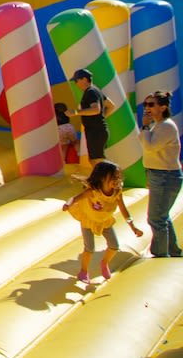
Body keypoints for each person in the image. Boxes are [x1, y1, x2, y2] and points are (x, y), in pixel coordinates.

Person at [63, 160, 142, 283]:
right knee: (89, 249)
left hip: (105, 221)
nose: (117, 180)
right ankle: (83, 271)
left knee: (114, 246)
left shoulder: (117, 192)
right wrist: (68, 204)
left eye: (118, 177)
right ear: (102, 178)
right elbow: (75, 198)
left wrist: (133, 227)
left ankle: (104, 263)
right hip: (89, 221)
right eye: (114, 177)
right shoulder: (92, 192)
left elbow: (123, 209)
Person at [140, 91, 181, 258]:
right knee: (162, 216)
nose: (147, 108)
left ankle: (160, 255)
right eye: (146, 105)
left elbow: (150, 146)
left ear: (163, 107)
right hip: (160, 174)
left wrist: (144, 127)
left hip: (164, 176)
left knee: (156, 218)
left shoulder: (166, 126)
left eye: (151, 105)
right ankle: (173, 251)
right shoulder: (159, 125)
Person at [68, 68, 109, 165]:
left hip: (95, 131)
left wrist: (76, 112)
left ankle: (107, 178)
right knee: (95, 159)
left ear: (84, 79)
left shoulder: (90, 92)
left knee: (97, 160)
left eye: (76, 81)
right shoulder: (96, 90)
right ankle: (103, 178)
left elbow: (96, 109)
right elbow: (111, 105)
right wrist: (101, 118)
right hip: (97, 129)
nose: (76, 83)